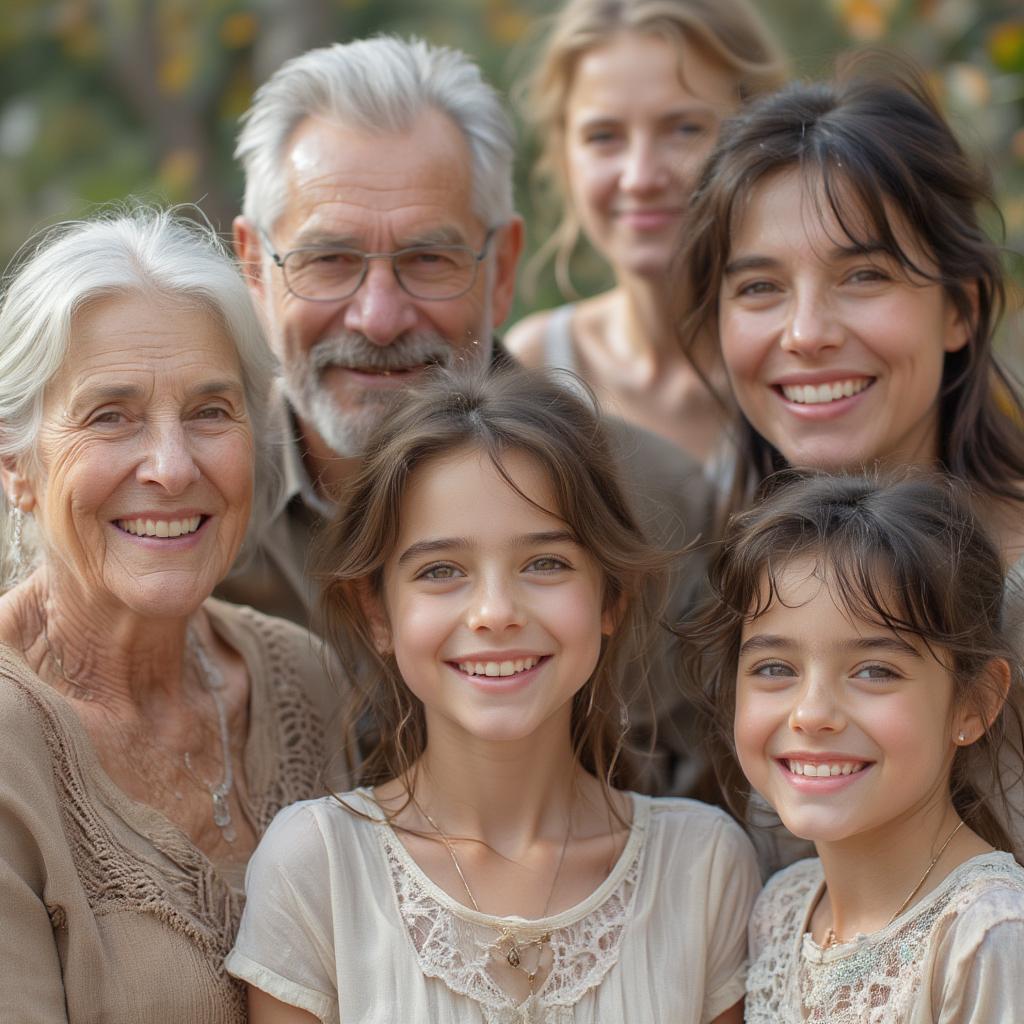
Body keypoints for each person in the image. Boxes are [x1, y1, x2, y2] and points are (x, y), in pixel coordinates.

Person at [220, 34, 712, 797]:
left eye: (427, 260)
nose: (378, 317)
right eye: (330, 260)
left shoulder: (659, 507)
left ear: (503, 267)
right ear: (256, 268)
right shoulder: (196, 518)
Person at [226, 368, 760, 1024]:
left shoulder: (703, 868)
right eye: (441, 571)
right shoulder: (318, 868)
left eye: (545, 564)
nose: (494, 612)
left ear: (611, 596)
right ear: (378, 613)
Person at [0, 207, 342, 1022]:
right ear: (18, 466)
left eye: (209, 410)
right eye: (110, 414)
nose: (171, 465)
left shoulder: (305, 676)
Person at [678, 55, 1024, 611]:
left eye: (864, 276)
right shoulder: (680, 578)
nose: (806, 334)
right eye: (760, 287)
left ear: (961, 308)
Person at [684, 473, 1024, 1022]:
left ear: (974, 703)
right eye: (775, 668)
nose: (812, 713)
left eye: (874, 670)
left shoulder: (989, 936)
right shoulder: (783, 908)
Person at [505, 0, 786, 464]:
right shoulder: (536, 372)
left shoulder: (804, 359)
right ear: (563, 155)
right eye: (603, 136)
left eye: (684, 129)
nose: (640, 176)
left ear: (758, 136)